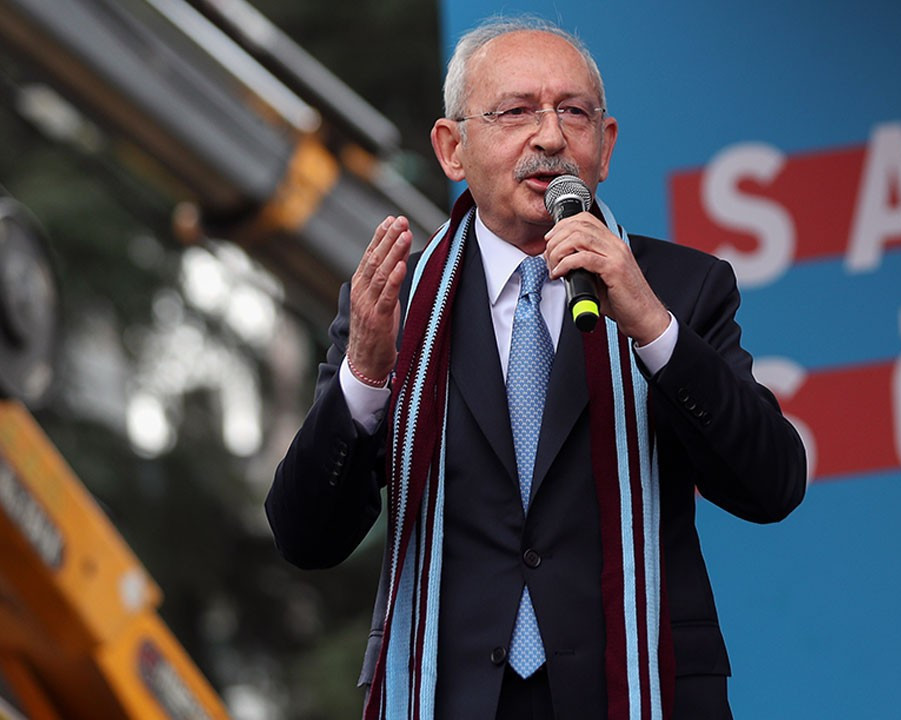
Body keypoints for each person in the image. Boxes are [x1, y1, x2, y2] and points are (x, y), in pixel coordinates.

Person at [266, 16, 806, 720]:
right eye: (516, 111)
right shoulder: (398, 302)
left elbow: (772, 485)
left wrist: (652, 326)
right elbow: (305, 537)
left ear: (605, 147)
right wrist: (364, 380)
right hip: (450, 695)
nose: (550, 137)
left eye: (573, 113)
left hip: (637, 689)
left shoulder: (680, 288)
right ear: (451, 148)